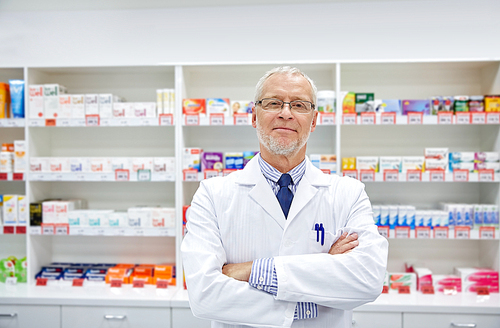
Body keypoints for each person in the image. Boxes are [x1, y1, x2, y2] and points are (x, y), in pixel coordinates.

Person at [181, 66, 388, 328]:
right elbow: (204, 295)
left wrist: (250, 270)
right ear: (254, 116)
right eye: (273, 103)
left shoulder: (348, 194)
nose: (286, 113)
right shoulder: (212, 195)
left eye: (299, 105)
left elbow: (367, 280)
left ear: (313, 121)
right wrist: (319, 280)